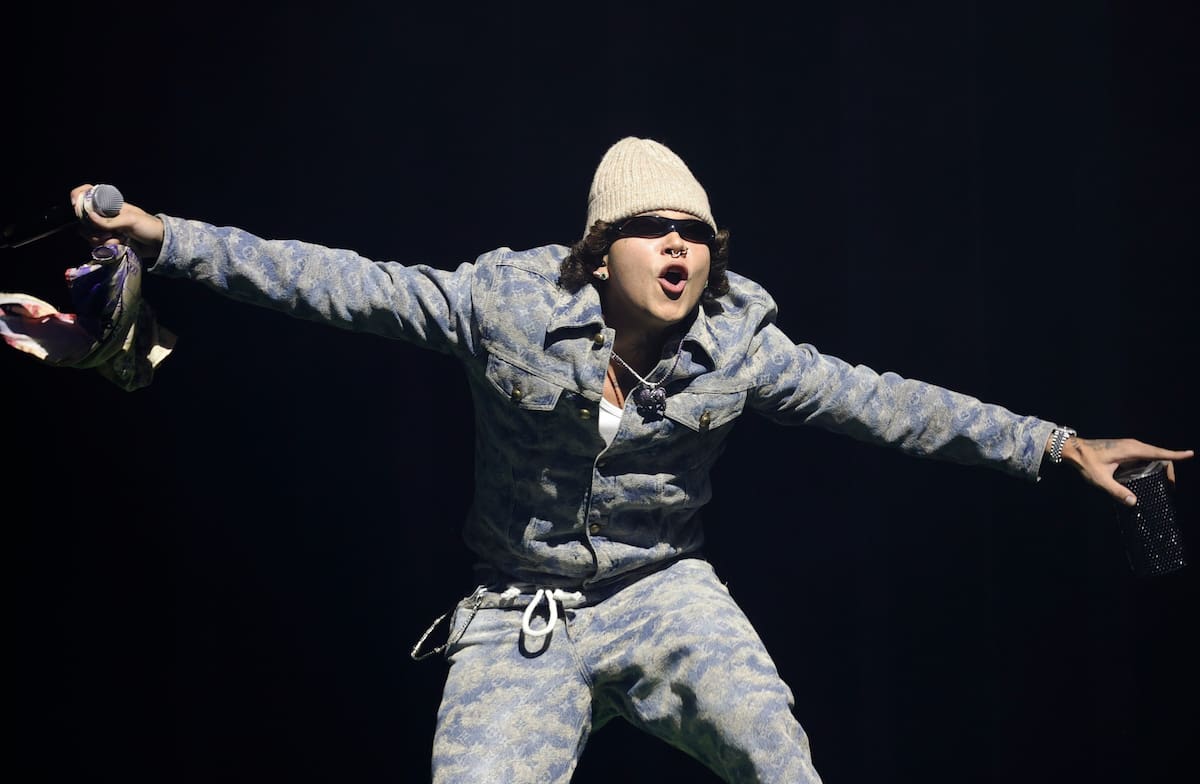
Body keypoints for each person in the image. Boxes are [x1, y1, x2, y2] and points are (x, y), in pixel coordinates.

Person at [70, 136, 1192, 783]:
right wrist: (168, 238)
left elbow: (890, 404)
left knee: (777, 752)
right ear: (599, 253)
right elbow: (336, 280)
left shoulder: (742, 347)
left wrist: (1059, 446)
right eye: (655, 230)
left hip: (666, 593)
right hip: (522, 613)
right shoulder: (500, 304)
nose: (680, 249)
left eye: (697, 234)